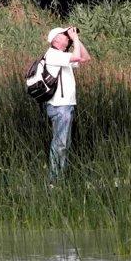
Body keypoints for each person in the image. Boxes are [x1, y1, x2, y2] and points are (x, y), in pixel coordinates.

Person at [45, 26, 91, 184]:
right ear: (55, 39)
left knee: (64, 143)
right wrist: (75, 40)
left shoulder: (62, 56)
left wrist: (76, 39)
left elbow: (85, 58)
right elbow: (77, 58)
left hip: (66, 106)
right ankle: (54, 182)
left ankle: (58, 179)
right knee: (61, 144)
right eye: (65, 34)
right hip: (59, 106)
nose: (68, 36)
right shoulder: (52, 55)